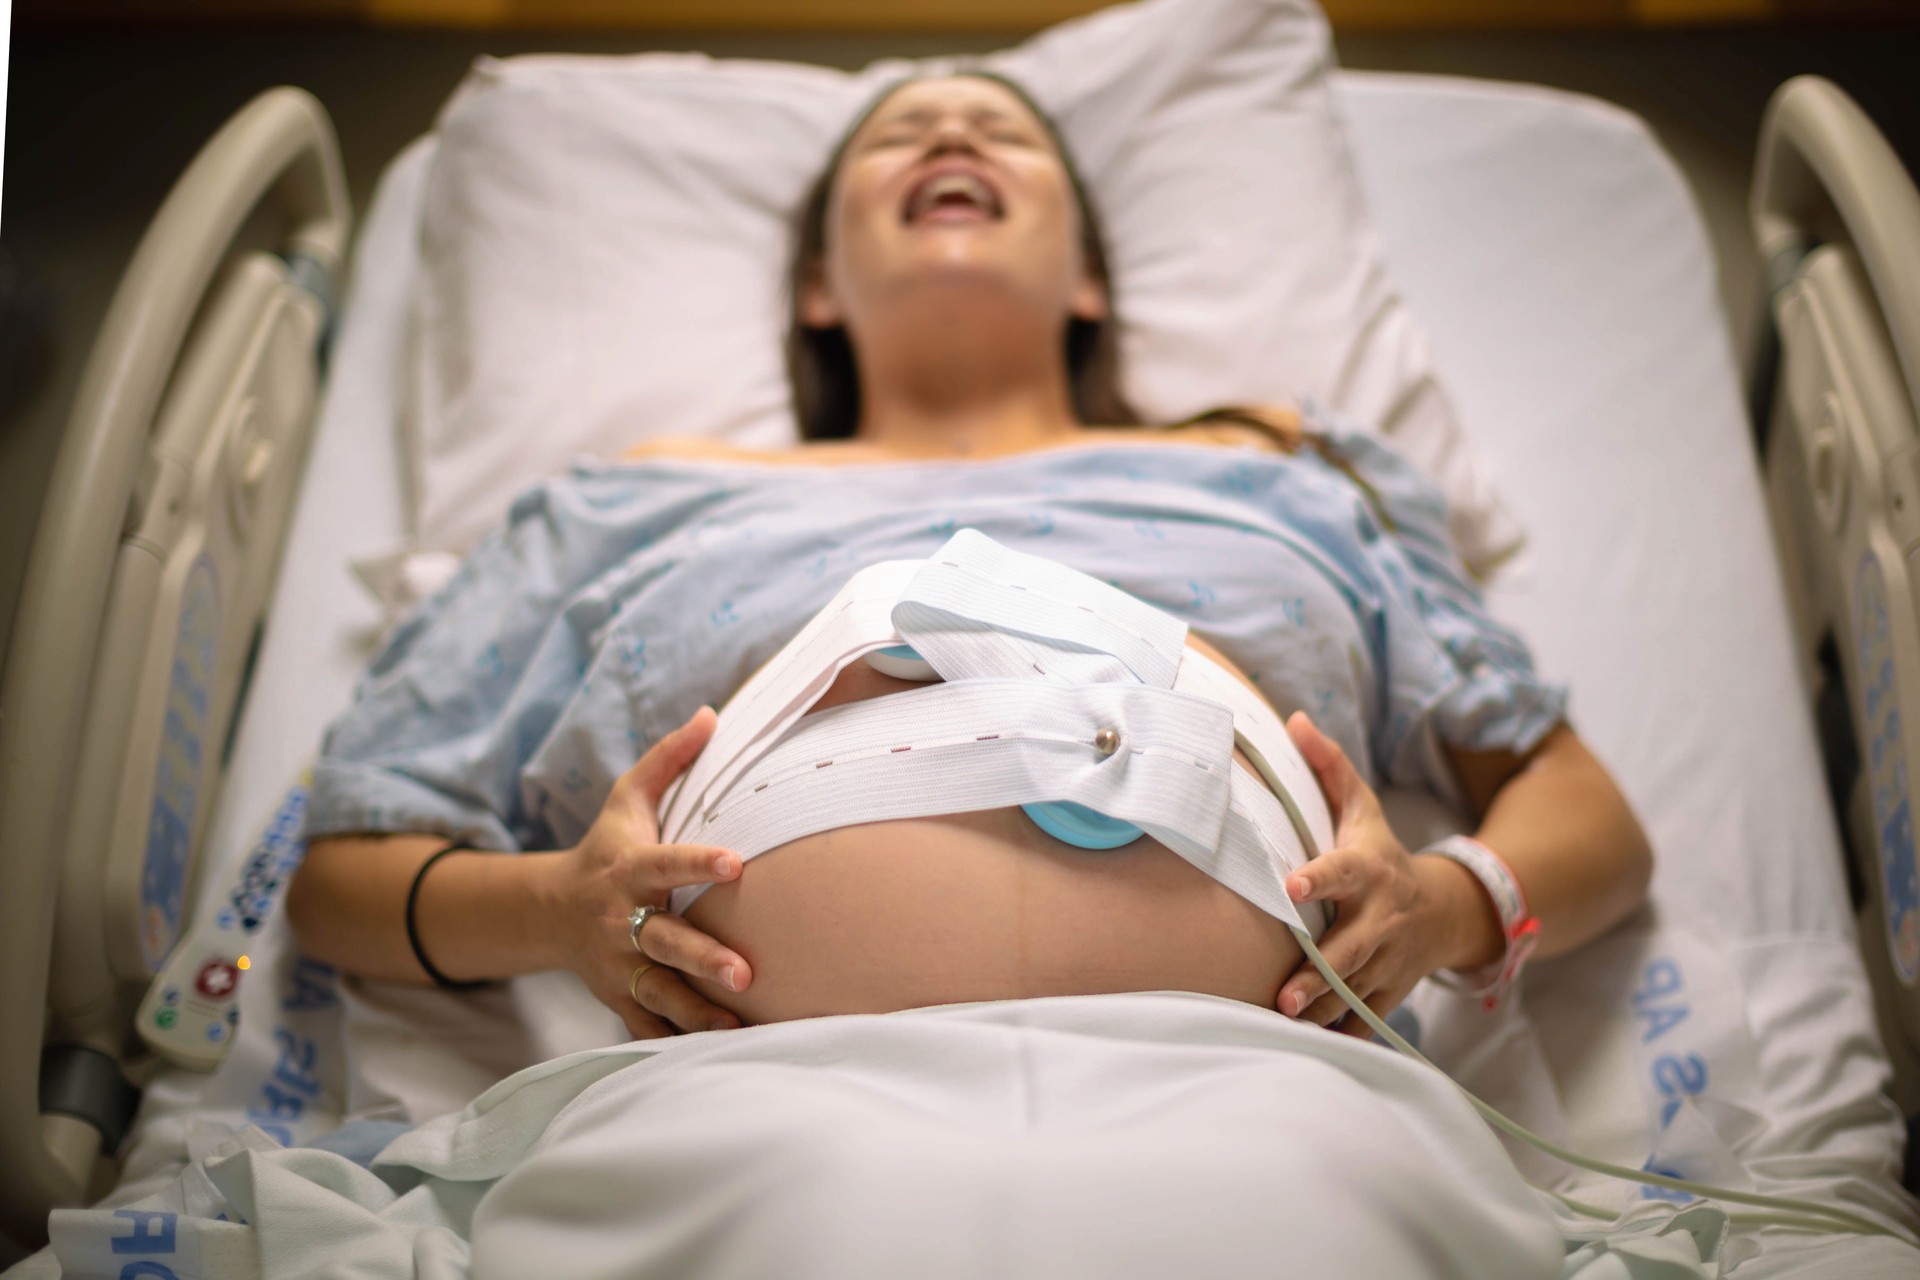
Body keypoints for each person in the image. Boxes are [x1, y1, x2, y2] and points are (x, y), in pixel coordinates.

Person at [287, 72, 1651, 1044]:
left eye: (1004, 129)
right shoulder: (628, 499)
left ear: (1089, 281)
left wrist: (1446, 902)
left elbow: (1582, 812)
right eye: (897, 137)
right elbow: (340, 877)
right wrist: (553, 912)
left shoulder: (1284, 469)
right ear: (820, 287)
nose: (948, 128)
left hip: (1268, 1089)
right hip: (748, 1109)